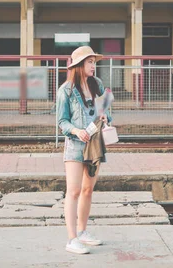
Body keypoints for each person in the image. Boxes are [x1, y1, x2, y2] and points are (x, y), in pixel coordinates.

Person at [56, 45, 112, 255]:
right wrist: (77, 131)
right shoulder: (66, 90)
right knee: (74, 190)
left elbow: (107, 110)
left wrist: (106, 117)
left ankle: (82, 231)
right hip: (75, 145)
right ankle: (71, 239)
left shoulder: (98, 84)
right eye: (90, 62)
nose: (93, 66)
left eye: (94, 62)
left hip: (95, 144)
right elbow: (62, 122)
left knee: (88, 189)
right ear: (79, 65)